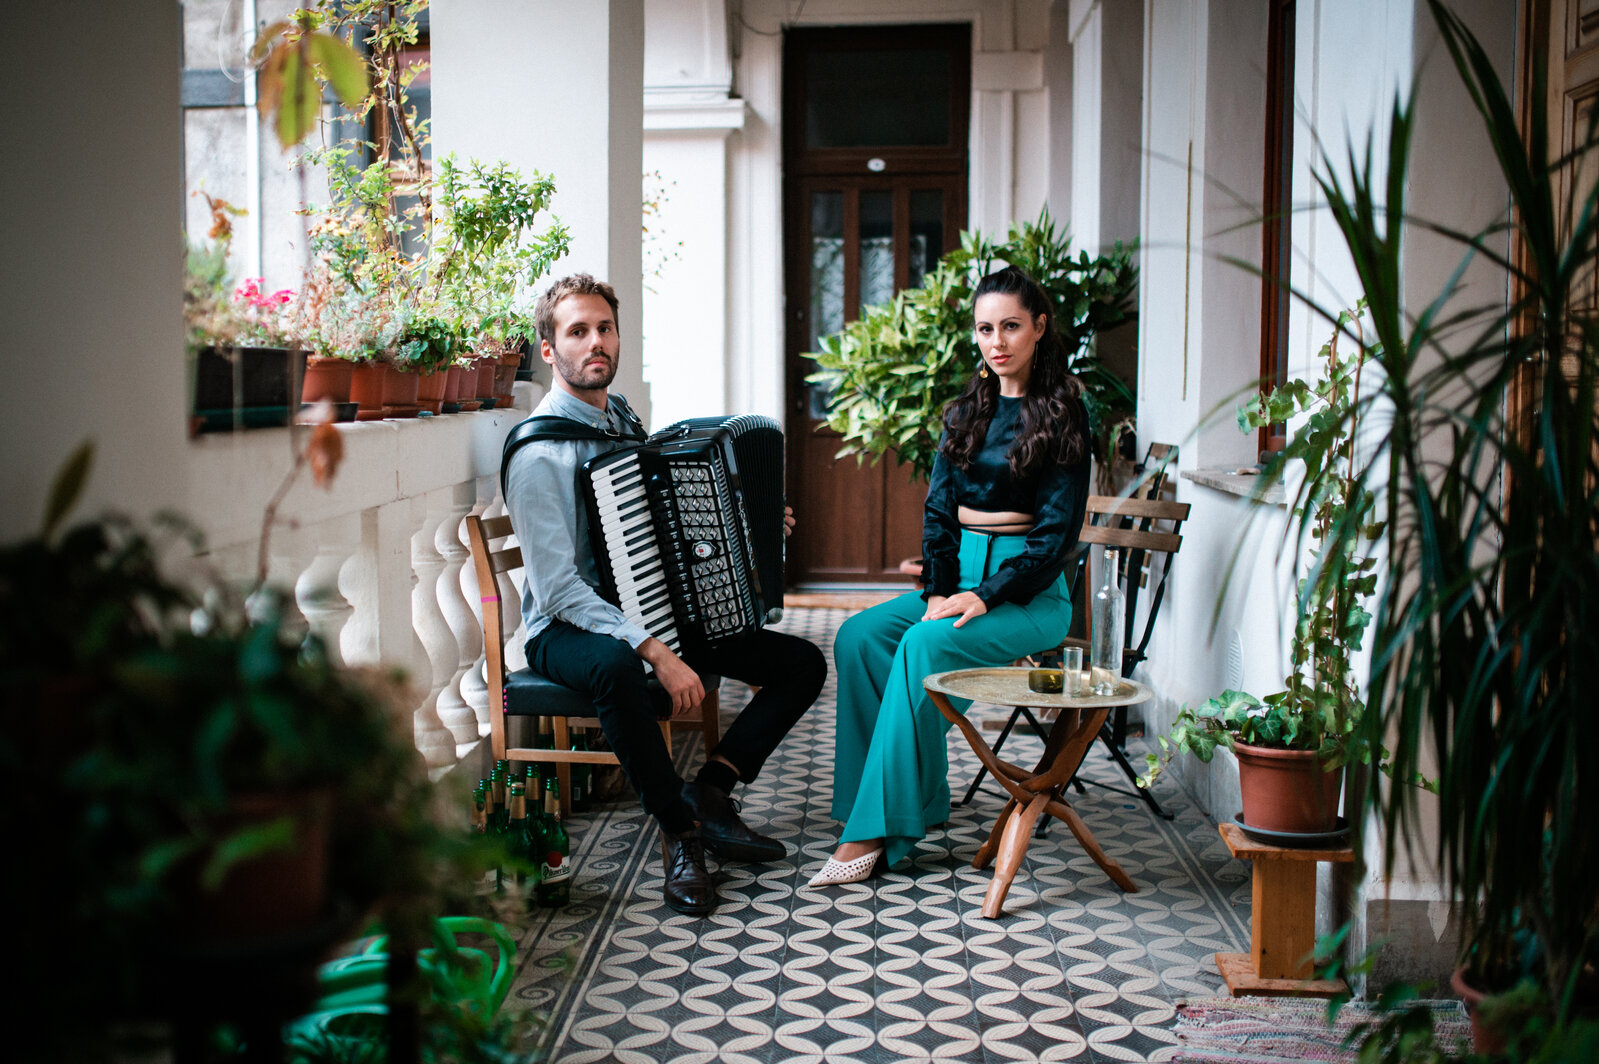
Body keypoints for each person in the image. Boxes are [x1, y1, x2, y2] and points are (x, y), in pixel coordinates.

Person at [503, 273, 827, 915]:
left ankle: (711, 791)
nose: (595, 342)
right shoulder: (539, 455)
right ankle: (681, 832)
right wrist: (655, 649)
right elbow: (558, 588)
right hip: (564, 630)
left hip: (642, 610)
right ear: (549, 349)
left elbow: (660, 524)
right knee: (616, 666)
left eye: (604, 328)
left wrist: (748, 526)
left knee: (801, 663)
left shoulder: (621, 419)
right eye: (577, 331)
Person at [808, 265, 1090, 887]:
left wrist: (983, 596)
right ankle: (892, 801)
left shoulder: (1063, 414)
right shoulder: (965, 412)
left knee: (923, 642)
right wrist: (940, 589)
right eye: (986, 329)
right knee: (860, 638)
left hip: (1028, 595)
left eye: (1011, 326)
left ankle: (873, 831)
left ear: (1039, 328)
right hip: (959, 580)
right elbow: (938, 513)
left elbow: (1054, 539)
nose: (998, 341)